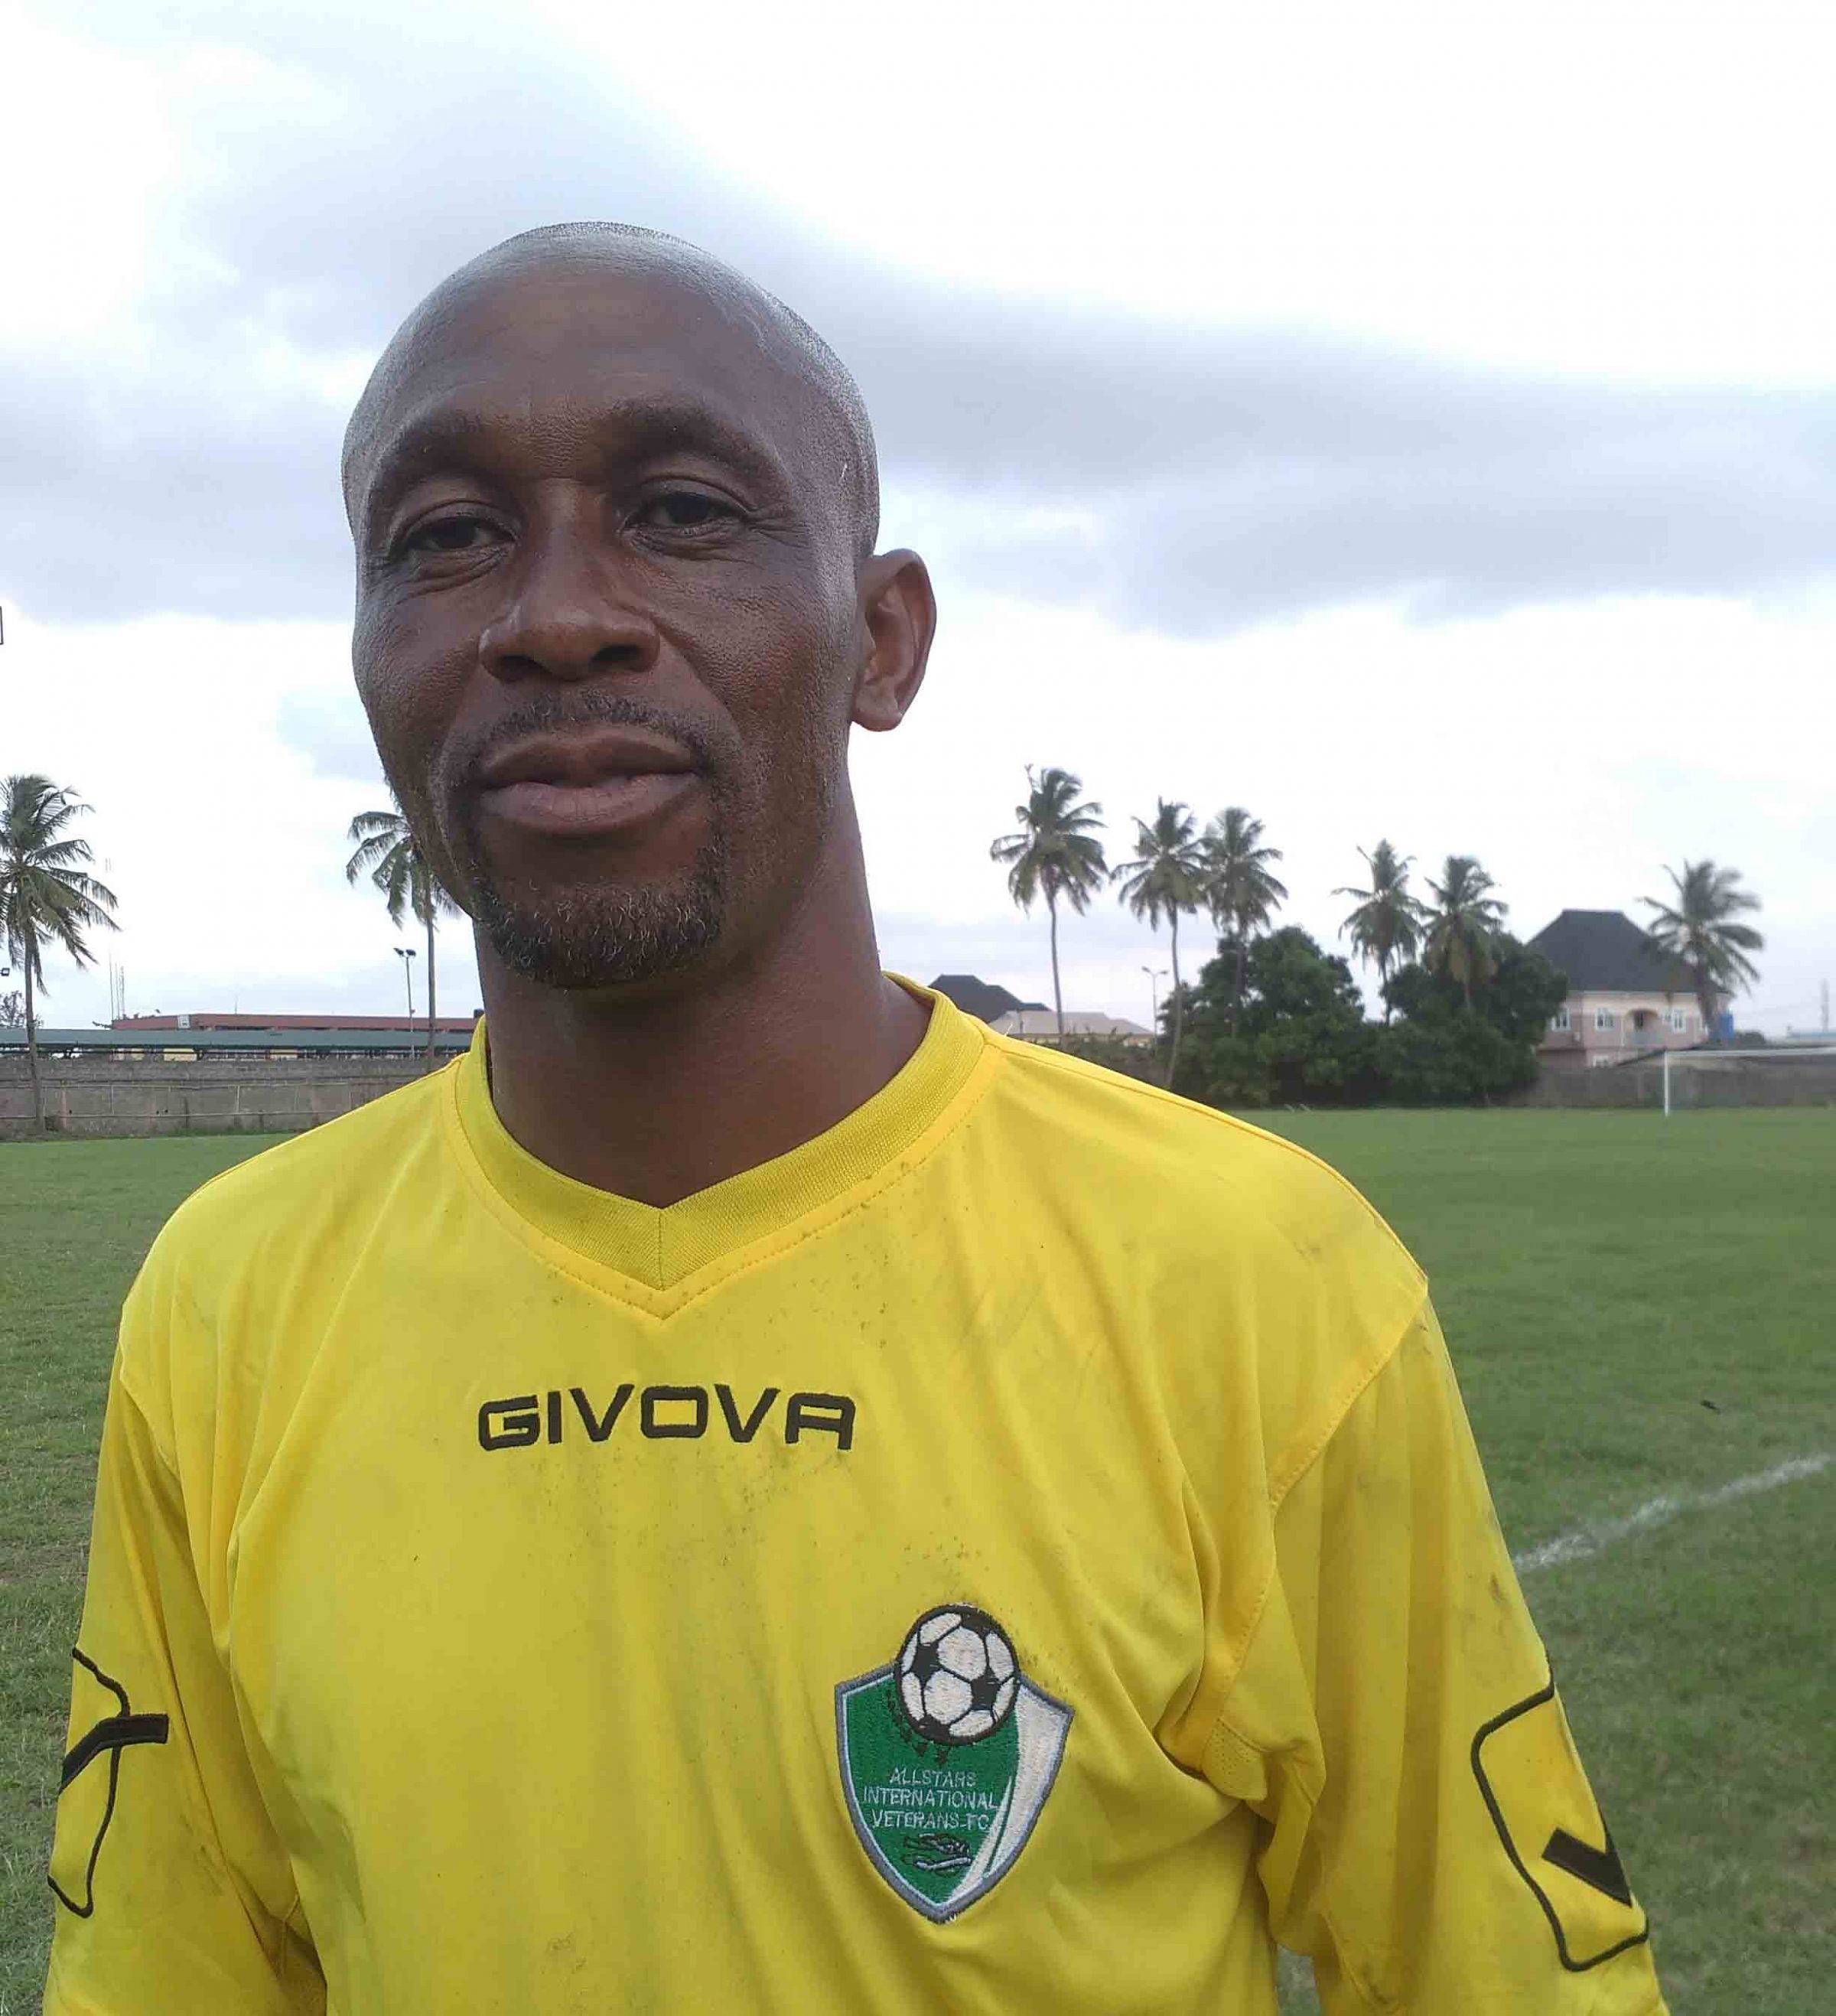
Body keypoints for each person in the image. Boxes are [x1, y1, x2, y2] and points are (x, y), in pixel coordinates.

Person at [46, 223, 1667, 2014]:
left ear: (882, 640)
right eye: (445, 536)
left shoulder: (1251, 1275)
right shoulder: (227, 1302)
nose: (556, 615)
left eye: (681, 511)